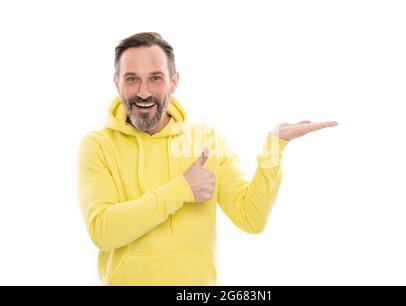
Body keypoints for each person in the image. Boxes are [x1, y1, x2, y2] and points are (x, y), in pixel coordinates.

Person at [77, 32, 337, 286]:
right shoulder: (98, 146)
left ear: (174, 81)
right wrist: (182, 189)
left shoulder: (206, 139)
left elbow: (251, 219)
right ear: (116, 82)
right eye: (132, 79)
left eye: (155, 78)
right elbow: (103, 231)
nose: (144, 92)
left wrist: (274, 145)